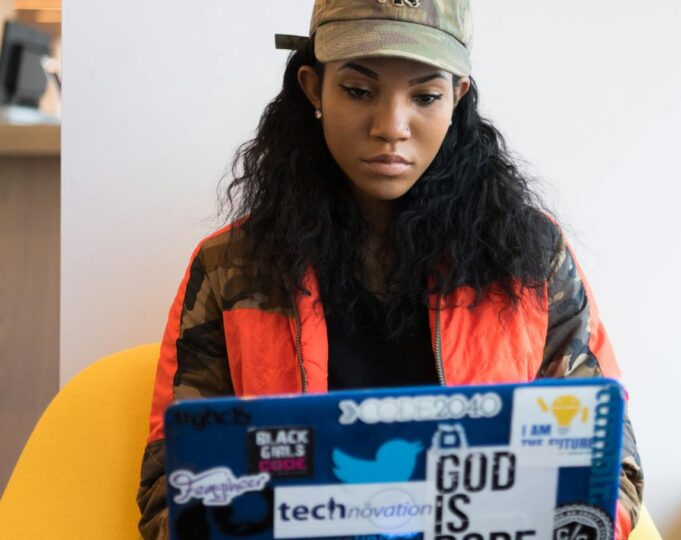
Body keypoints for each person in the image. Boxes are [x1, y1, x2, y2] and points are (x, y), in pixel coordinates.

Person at [134, 1, 645, 538]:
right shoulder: (229, 268)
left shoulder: (532, 260)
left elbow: (610, 469)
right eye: (358, 90)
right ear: (313, 88)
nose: (391, 127)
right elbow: (170, 488)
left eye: (425, 96)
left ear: (457, 98)